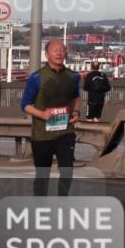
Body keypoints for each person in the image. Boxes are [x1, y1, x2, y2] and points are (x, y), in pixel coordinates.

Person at [21, 39, 82, 197]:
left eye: (62, 50)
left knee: (67, 170)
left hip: (65, 132)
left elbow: (76, 97)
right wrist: (42, 114)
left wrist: (76, 112)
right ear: (47, 55)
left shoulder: (73, 76)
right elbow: (25, 105)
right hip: (42, 134)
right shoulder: (36, 78)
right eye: (55, 50)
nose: (59, 53)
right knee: (42, 175)